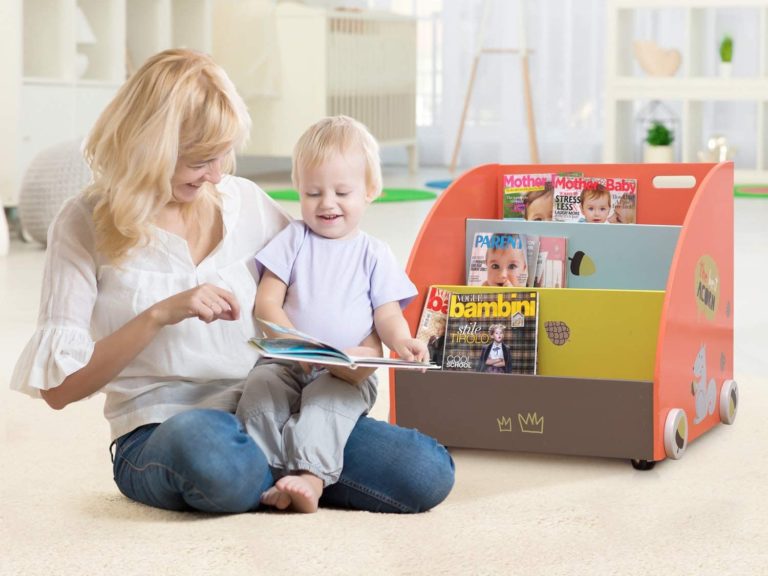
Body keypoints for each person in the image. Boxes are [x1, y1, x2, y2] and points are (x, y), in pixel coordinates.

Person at [10, 49, 454, 514]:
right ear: (151, 148)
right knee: (208, 445)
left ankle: (290, 472)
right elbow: (59, 392)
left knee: (423, 471)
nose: (218, 174)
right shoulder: (83, 223)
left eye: (223, 155)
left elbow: (333, 278)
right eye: (201, 159)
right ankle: (283, 469)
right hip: (163, 426)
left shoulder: (244, 201)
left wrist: (359, 355)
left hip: (275, 408)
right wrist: (161, 314)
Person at [235, 116, 429, 513]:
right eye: (313, 192)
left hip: (344, 370)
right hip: (287, 359)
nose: (327, 203)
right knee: (259, 392)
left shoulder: (374, 253)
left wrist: (404, 342)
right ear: (298, 191)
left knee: (326, 405)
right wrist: (296, 344)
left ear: (370, 190)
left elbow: (387, 316)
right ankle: (265, 470)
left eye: (342, 192)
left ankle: (310, 477)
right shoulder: (292, 239)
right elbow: (267, 303)